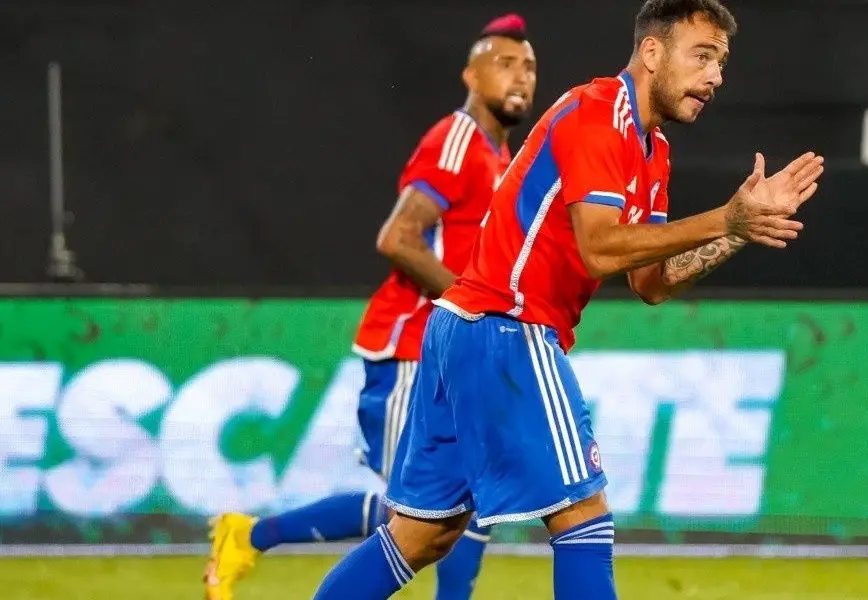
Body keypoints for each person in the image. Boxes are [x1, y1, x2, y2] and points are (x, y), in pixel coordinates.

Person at [310, 1, 825, 599]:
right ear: (652, 52)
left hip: (465, 328)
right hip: (507, 326)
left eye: (722, 63)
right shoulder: (597, 113)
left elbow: (650, 281)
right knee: (583, 513)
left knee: (421, 536)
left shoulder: (651, 150)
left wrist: (736, 230)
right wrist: (723, 217)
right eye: (703, 56)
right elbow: (600, 250)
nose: (716, 77)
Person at [202, 14, 537, 600]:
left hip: (453, 356)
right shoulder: (457, 140)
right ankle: (250, 537)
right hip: (412, 350)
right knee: (441, 510)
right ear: (471, 73)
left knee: (452, 506)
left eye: (530, 66)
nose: (521, 76)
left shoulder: (501, 160)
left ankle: (249, 536)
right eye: (505, 62)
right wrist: (473, 304)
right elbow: (398, 238)